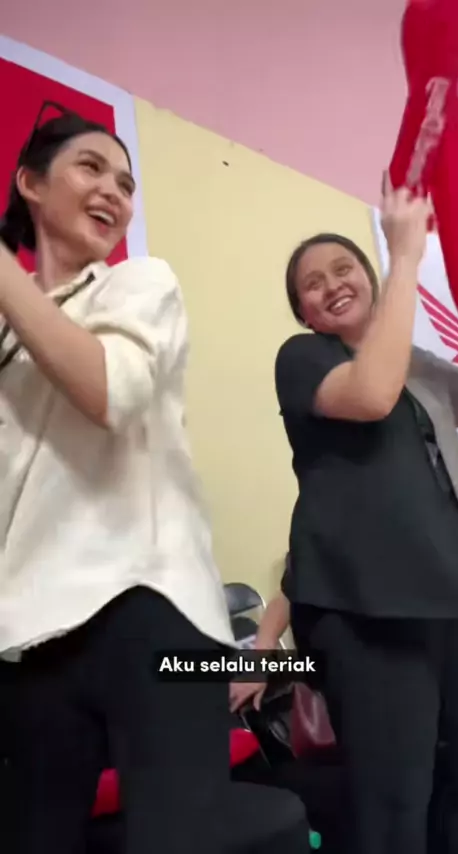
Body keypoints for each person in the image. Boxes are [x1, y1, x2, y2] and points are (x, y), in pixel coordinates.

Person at [0, 106, 234, 854]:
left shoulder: (140, 282)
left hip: (156, 608)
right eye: (91, 167)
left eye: (126, 183)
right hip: (31, 634)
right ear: (31, 183)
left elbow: (112, 391)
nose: (114, 192)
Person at [274, 179, 458, 854]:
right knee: (395, 800)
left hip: (456, 604)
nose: (332, 285)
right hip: (368, 613)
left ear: (367, 276)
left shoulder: (420, 369)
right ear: (304, 313)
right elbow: (370, 394)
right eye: (312, 284)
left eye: (344, 268)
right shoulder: (304, 358)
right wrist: (406, 258)